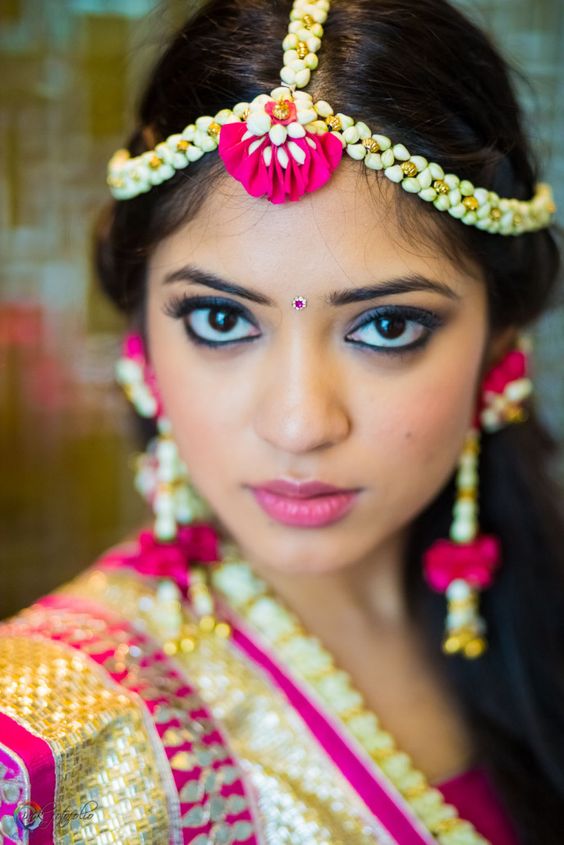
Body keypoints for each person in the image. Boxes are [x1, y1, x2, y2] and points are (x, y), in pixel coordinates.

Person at [1, 0, 563, 842]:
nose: (300, 424)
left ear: (498, 349)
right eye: (223, 321)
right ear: (141, 340)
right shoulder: (57, 740)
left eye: (387, 326)